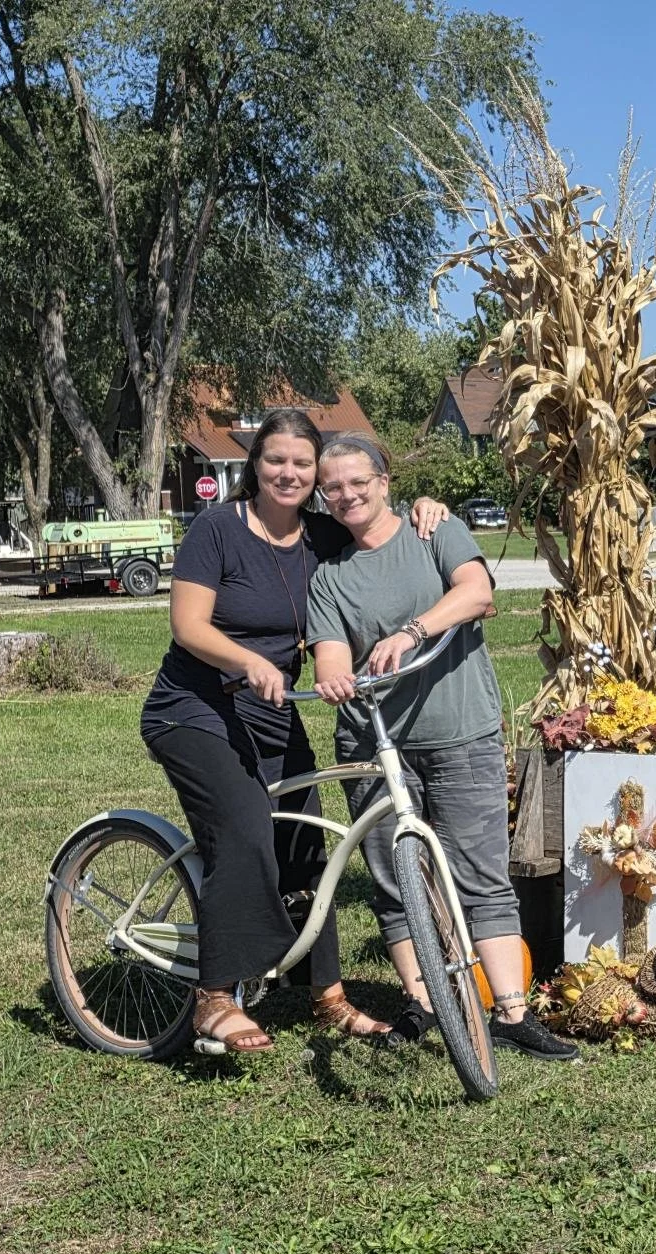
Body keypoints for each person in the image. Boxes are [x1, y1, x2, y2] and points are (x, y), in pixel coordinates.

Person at [140, 411, 451, 1052]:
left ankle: (326, 995)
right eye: (276, 460)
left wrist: (426, 505)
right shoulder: (216, 529)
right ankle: (215, 996)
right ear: (254, 464)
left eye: (302, 464)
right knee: (246, 827)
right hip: (195, 709)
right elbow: (188, 626)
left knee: (308, 845)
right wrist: (249, 659)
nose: (289, 473)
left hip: (270, 715)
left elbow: (375, 520)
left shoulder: (318, 535)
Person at [306, 435, 575, 1062]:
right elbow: (331, 655)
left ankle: (511, 1011)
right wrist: (336, 675)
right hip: (373, 745)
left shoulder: (435, 532)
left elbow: (477, 593)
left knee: (480, 873)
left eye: (357, 481)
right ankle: (423, 1004)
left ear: (384, 479)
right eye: (333, 488)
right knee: (395, 883)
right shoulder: (331, 577)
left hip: (459, 734)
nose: (346, 495)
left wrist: (412, 630)